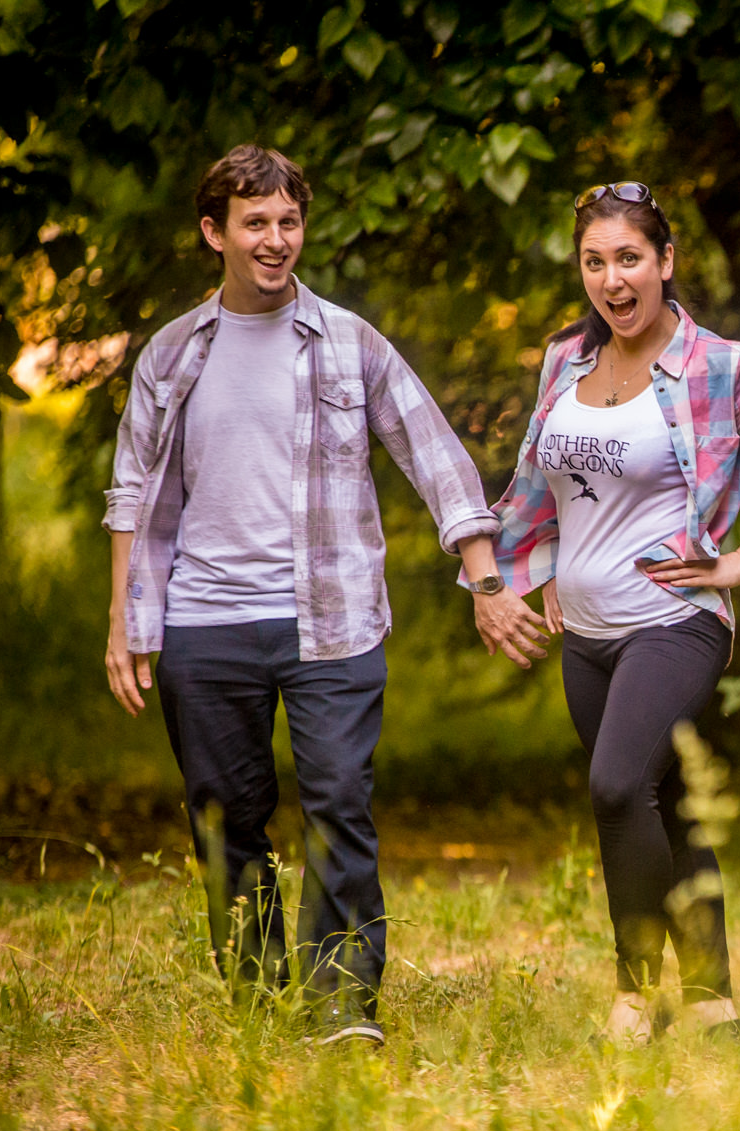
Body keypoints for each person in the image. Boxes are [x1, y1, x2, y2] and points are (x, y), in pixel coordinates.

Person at [102, 145, 548, 1047]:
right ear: (213, 233)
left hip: (333, 619)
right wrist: (126, 617)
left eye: (289, 222)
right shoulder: (171, 355)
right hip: (206, 618)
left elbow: (436, 459)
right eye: (255, 223)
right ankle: (264, 996)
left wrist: (486, 579)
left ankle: (342, 1002)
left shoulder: (349, 341)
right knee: (226, 815)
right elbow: (135, 494)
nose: (276, 241)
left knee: (340, 797)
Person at [475, 181, 740, 1044]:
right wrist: (530, 568)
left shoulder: (720, 367)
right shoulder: (564, 360)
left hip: (674, 619)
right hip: (587, 632)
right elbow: (542, 483)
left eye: (629, 258)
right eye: (594, 262)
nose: (612, 279)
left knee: (614, 786)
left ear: (666, 262)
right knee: (662, 804)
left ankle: (635, 996)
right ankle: (714, 999)